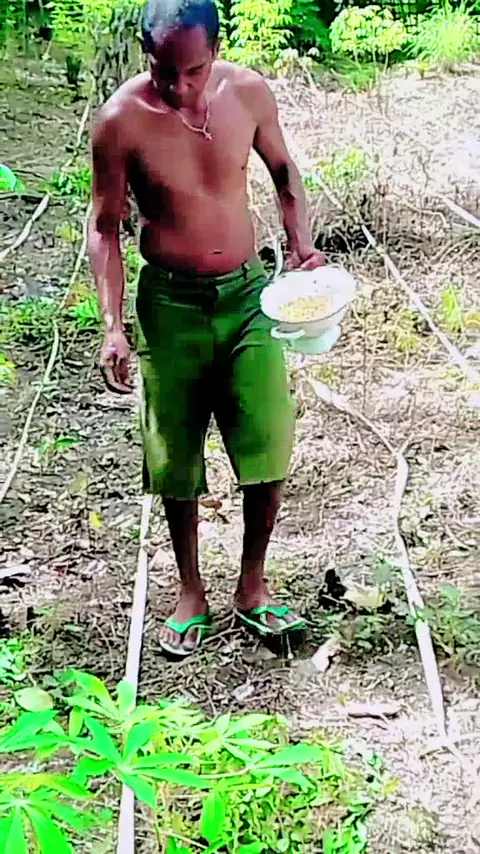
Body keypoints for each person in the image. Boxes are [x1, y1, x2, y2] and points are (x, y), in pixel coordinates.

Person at [88, 0, 325, 659]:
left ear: (215, 52)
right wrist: (112, 326)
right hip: (171, 304)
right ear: (147, 57)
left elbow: (284, 171)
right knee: (174, 453)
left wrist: (301, 243)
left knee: (268, 436)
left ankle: (252, 585)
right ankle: (190, 590)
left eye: (192, 70)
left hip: (249, 298)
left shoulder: (246, 93)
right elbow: (104, 227)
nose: (179, 86)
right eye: (163, 71)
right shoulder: (121, 120)